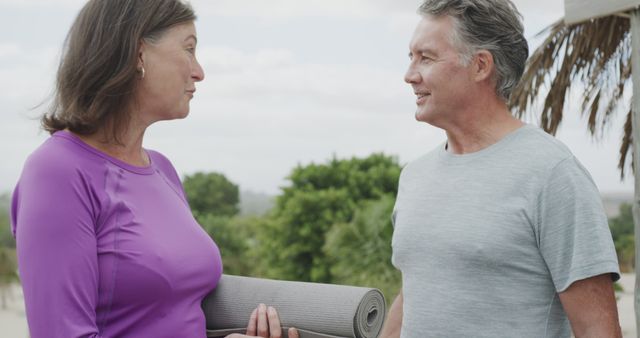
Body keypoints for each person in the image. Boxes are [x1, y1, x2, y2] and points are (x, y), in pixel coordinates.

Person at [10, 1, 298, 338]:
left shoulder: (162, 170)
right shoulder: (57, 172)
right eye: (189, 49)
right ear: (138, 53)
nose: (199, 71)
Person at [381, 0, 622, 337]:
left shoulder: (553, 173)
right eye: (411, 57)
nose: (410, 75)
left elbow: (598, 329)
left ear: (480, 66)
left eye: (426, 57)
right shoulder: (414, 177)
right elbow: (418, 293)